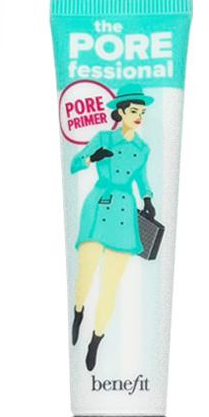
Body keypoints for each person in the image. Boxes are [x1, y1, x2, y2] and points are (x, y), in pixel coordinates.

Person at [70, 83, 156, 371]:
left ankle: (96, 339)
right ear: (121, 112)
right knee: (85, 273)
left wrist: (148, 199)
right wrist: (92, 158)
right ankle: (78, 311)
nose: (139, 116)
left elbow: (142, 179)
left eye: (142, 112)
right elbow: (74, 164)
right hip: (97, 207)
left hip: (124, 213)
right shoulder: (103, 137)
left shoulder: (142, 149)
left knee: (110, 285)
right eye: (134, 111)